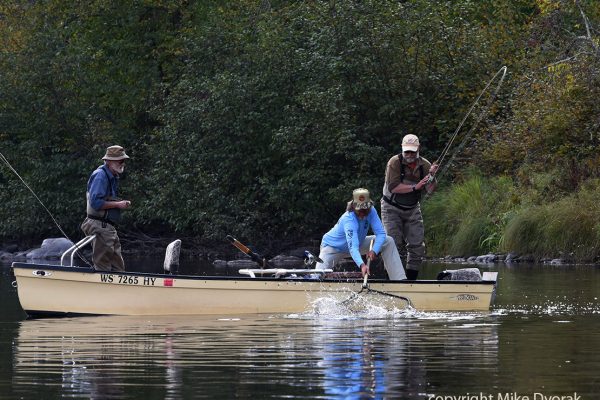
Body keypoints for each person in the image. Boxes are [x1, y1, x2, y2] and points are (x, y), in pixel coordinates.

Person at [315, 188, 406, 280]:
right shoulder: (349, 219)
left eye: (365, 210)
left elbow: (381, 234)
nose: (362, 214)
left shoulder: (372, 211)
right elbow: (353, 248)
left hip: (358, 243)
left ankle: (400, 280)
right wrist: (362, 265)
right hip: (332, 248)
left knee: (388, 241)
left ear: (369, 206)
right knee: (317, 276)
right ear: (353, 207)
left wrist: (374, 250)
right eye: (359, 210)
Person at [381, 134, 438, 280]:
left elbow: (430, 191)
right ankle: (391, 280)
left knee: (417, 246)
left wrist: (432, 176)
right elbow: (393, 187)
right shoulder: (394, 162)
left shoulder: (424, 165)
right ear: (402, 149)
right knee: (392, 243)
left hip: (412, 209)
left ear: (418, 149)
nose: (410, 155)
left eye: (413, 151)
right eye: (407, 151)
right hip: (391, 208)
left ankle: (411, 282)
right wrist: (415, 187)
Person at [81, 145, 131, 272]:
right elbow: (96, 203)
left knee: (118, 267)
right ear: (109, 161)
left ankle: (119, 290)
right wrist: (118, 204)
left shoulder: (112, 176)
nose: (122, 163)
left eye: (123, 160)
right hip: (99, 225)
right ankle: (102, 289)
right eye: (120, 160)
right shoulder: (100, 176)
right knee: (102, 266)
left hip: (107, 226)